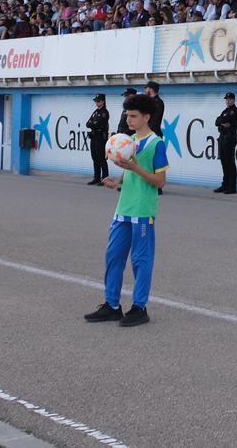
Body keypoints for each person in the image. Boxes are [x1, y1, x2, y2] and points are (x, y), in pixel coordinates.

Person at [84, 91, 168, 328]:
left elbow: (160, 181)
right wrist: (118, 180)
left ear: (147, 117)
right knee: (113, 256)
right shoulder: (130, 141)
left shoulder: (156, 143)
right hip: (123, 208)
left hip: (142, 209)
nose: (128, 120)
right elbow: (131, 170)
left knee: (141, 260)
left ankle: (139, 308)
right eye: (127, 115)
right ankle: (112, 306)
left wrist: (135, 167)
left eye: (133, 116)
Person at [213, 92, 237, 194]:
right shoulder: (225, 111)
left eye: (229, 99)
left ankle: (232, 187)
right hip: (222, 137)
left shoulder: (235, 111)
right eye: (226, 99)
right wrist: (222, 122)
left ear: (233, 100)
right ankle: (225, 184)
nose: (228, 101)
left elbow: (228, 122)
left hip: (230, 138)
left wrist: (222, 122)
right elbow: (217, 121)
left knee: (230, 163)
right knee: (224, 162)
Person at [86, 93, 110, 185]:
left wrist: (94, 124)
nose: (97, 103)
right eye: (96, 101)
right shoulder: (96, 112)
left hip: (101, 137)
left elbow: (98, 124)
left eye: (98, 101)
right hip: (94, 136)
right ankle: (97, 177)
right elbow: (88, 123)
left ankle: (105, 178)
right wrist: (94, 124)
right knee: (94, 157)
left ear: (103, 101)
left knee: (101, 158)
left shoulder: (104, 112)